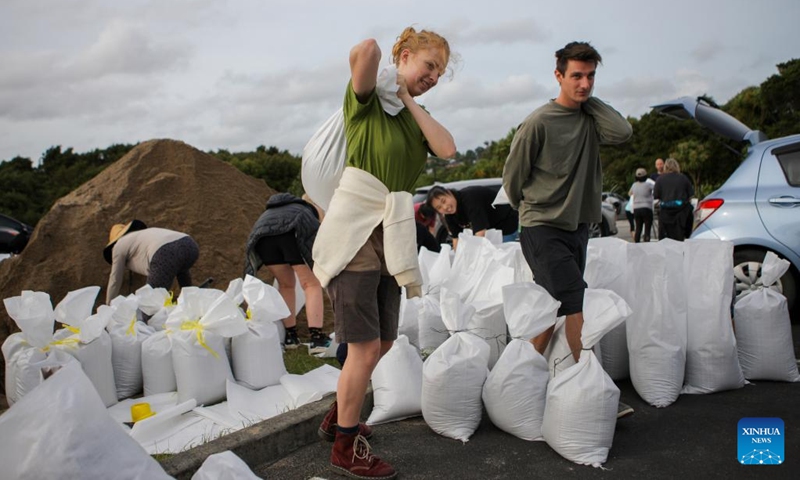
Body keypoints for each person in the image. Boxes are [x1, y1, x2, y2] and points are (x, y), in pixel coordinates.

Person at [312, 27, 455, 479]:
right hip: (356, 230)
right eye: (428, 65)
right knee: (364, 346)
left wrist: (411, 100)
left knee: (384, 342)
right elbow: (367, 51)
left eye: (440, 72)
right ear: (406, 56)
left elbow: (448, 150)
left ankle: (341, 415)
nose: (433, 76)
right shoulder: (366, 102)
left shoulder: (413, 113)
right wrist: (390, 76)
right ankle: (344, 448)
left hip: (390, 234)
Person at [502, 41, 633, 418]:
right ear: (557, 75)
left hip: (578, 228)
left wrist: (584, 100)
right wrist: (531, 209)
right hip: (542, 227)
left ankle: (513, 380)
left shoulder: (591, 118)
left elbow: (622, 132)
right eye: (576, 76)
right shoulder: (538, 122)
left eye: (590, 76)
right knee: (576, 298)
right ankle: (590, 387)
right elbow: (513, 179)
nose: (585, 83)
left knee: (553, 308)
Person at [243, 192, 328, 351]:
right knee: (311, 285)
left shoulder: (272, 211)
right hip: (290, 234)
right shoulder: (306, 211)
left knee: (286, 285)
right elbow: (317, 235)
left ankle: (291, 337)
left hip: (263, 239)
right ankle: (317, 339)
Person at [104, 220, 199, 304]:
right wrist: (187, 289)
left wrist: (108, 305)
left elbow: (115, 278)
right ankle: (192, 302)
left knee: (150, 304)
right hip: (190, 245)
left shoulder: (119, 245)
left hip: (164, 254)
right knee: (180, 267)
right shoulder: (143, 235)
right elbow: (177, 258)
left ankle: (146, 322)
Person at [425, 184, 519, 249]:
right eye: (439, 207)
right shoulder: (449, 214)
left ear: (449, 193)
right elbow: (456, 239)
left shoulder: (469, 198)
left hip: (507, 223)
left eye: (444, 201)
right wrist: (458, 261)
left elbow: (480, 233)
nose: (445, 207)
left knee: (504, 260)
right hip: (493, 231)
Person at [653, 158, 695, 241]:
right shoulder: (683, 178)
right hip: (681, 213)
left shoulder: (660, 179)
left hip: (665, 213)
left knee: (665, 239)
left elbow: (656, 195)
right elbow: (691, 195)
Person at [629, 167, 655, 243]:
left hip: (636, 208)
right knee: (647, 227)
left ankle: (636, 243)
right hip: (646, 207)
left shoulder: (634, 185)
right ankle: (646, 242)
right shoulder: (648, 185)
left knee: (638, 227)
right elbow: (656, 190)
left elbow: (630, 193)